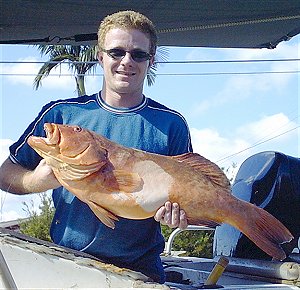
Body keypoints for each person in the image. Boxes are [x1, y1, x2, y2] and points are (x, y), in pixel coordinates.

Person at [0, 10, 192, 283]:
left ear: (151, 60)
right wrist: (35, 181)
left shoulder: (172, 124)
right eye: (116, 52)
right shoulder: (61, 115)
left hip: (142, 273)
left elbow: (185, 190)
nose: (127, 61)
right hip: (65, 265)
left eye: (138, 54)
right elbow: (6, 172)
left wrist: (176, 214)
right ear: (100, 56)